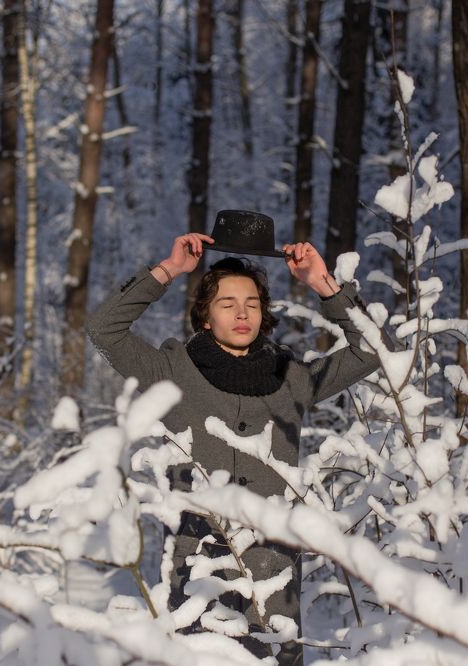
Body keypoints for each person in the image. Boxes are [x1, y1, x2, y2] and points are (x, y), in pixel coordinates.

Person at [86, 232, 380, 664]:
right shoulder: (171, 371)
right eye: (227, 303)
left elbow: (375, 351)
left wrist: (324, 285)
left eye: (252, 304)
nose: (242, 313)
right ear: (205, 316)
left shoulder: (292, 377)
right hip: (199, 576)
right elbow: (103, 329)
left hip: (274, 582)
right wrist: (169, 269)